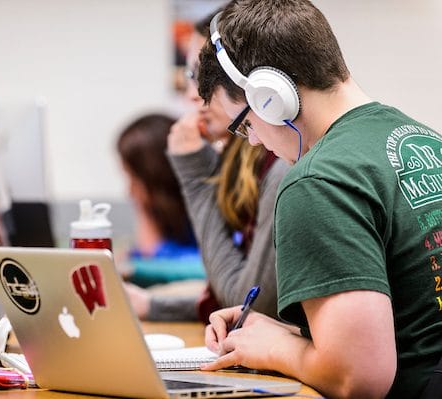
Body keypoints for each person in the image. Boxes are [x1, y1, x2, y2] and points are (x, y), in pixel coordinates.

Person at [196, 1, 442, 398]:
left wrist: (275, 350)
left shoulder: (316, 180)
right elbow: (413, 318)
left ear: (268, 97)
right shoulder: (423, 139)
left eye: (244, 125)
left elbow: (360, 377)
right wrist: (288, 333)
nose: (254, 141)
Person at [124, 10, 290, 322]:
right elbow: (235, 292)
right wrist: (154, 307)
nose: (190, 96)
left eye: (201, 78)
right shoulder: (241, 165)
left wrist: (195, 173)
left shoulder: (280, 166)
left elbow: (247, 304)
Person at [116, 113, 204, 288]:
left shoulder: (200, 204)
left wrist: (136, 265)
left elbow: (207, 267)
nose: (129, 191)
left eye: (134, 178)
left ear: (154, 177)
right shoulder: (168, 215)